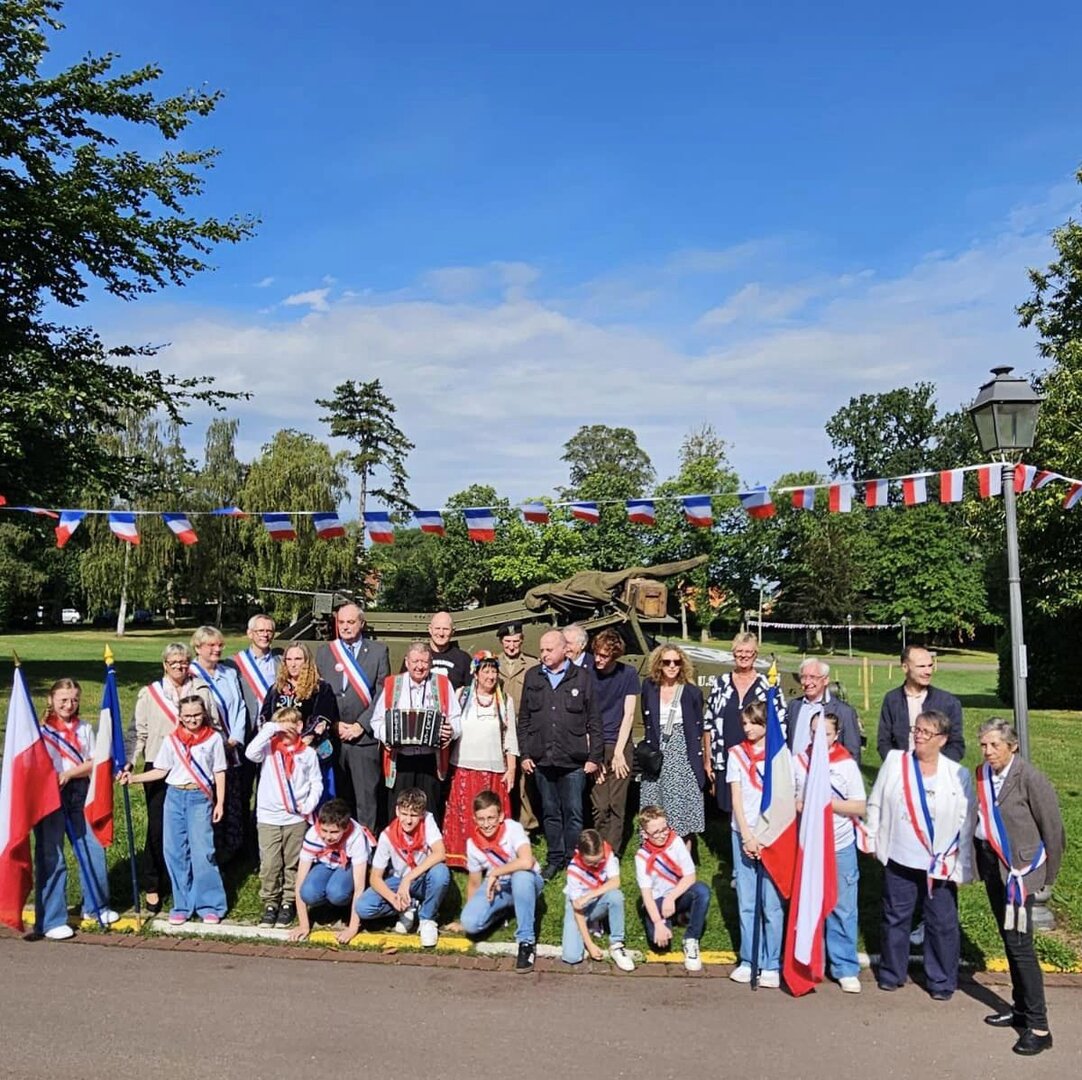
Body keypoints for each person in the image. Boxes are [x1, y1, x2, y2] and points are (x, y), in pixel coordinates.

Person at [865, 709, 975, 999]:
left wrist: (962, 867)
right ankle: (892, 973)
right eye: (917, 730)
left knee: (942, 923)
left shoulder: (958, 775)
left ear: (942, 739)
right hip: (900, 857)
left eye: (927, 732)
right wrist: (872, 838)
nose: (919, 737)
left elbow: (966, 822)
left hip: (939, 864)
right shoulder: (895, 762)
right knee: (895, 917)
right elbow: (876, 802)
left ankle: (941, 981)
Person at [974, 720, 1065, 1056]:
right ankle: (1021, 1009)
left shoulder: (1030, 778)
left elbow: (1053, 831)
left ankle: (1040, 1027)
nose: (988, 752)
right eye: (984, 745)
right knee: (1009, 940)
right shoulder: (982, 774)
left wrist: (1044, 877)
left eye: (994, 745)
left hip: (1020, 874)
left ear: (1012, 746)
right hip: (994, 868)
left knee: (1021, 946)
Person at [120, 695, 228, 926]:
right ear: (180, 716)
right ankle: (182, 904)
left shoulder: (213, 739)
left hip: (200, 797)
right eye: (187, 716)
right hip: (174, 797)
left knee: (203, 852)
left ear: (204, 714)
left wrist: (220, 802)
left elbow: (219, 771)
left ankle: (210, 905)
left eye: (196, 715)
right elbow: (161, 770)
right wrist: (134, 778)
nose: (192, 720)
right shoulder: (172, 740)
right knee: (175, 853)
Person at [128, 643, 216, 914]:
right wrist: (130, 760)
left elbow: (213, 722)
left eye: (183, 661)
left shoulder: (201, 689)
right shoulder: (150, 693)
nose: (179, 665)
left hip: (195, 768)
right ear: (164, 664)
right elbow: (138, 731)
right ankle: (154, 884)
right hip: (159, 765)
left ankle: (192, 887)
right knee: (158, 829)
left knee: (195, 833)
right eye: (173, 661)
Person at [34, 679, 119, 938]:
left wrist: (70, 774)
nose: (69, 705)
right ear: (51, 700)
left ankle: (96, 906)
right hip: (50, 796)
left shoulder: (84, 728)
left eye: (74, 699)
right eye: (63, 700)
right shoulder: (40, 732)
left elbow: (95, 761)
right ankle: (51, 919)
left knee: (92, 849)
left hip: (80, 792)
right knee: (52, 856)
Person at [517, 629, 603, 880]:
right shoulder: (533, 676)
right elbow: (524, 719)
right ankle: (555, 858)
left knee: (574, 812)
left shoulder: (582, 677)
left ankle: (573, 859)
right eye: (541, 650)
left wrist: (594, 757)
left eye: (549, 649)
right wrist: (525, 754)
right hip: (542, 758)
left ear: (564, 649)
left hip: (573, 760)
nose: (543, 654)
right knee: (550, 812)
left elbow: (594, 720)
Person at [793, 712, 867, 993]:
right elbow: (792, 798)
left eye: (825, 733)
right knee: (808, 905)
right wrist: (800, 804)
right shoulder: (799, 761)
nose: (819, 738)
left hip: (839, 844)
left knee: (842, 907)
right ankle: (811, 961)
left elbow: (859, 806)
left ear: (835, 735)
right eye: (814, 732)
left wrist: (825, 803)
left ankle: (845, 966)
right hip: (808, 845)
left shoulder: (846, 765)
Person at [245, 706, 323, 929]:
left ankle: (289, 901)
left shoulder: (307, 754)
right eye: (281, 725)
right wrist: (271, 728)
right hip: (268, 817)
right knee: (270, 863)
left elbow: (316, 782)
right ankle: (271, 902)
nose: (285, 730)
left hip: (295, 818)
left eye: (291, 725)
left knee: (293, 862)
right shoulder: (269, 749)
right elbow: (250, 753)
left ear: (300, 726)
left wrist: (309, 805)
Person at [315, 603, 390, 832]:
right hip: (334, 738)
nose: (345, 627)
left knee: (366, 800)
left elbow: (382, 693)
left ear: (362, 624)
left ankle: (367, 845)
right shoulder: (325, 652)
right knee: (336, 797)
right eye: (341, 622)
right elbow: (319, 693)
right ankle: (338, 841)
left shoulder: (378, 651)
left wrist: (361, 725)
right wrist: (333, 723)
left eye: (351, 622)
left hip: (363, 739)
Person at [727, 701, 786, 987]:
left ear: (766, 724)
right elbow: (736, 799)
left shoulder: (780, 756)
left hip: (772, 837)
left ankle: (771, 962)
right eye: (745, 723)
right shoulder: (736, 754)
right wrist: (747, 836)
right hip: (743, 833)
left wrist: (765, 836)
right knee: (747, 901)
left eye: (754, 723)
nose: (747, 728)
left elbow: (784, 799)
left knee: (772, 904)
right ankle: (749, 958)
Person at [443, 652, 518, 868]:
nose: (490, 676)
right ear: (475, 674)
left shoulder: (505, 700)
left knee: (490, 814)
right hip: (464, 767)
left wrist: (511, 768)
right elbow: (450, 726)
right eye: (485, 671)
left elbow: (510, 737)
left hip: (493, 769)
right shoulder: (461, 695)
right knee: (465, 813)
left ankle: (493, 857)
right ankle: (462, 857)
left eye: (494, 671)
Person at [371, 642, 462, 820]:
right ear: (407, 662)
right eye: (415, 661)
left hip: (430, 761)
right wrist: (387, 735)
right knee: (399, 811)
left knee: (430, 811)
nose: (419, 666)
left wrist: (450, 731)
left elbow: (456, 718)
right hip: (401, 761)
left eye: (424, 662)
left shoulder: (443, 684)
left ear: (430, 663)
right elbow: (376, 721)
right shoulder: (392, 684)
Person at [460, 789, 544, 973]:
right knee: (470, 923)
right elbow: (474, 882)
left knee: (521, 877)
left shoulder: (513, 828)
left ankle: (526, 942)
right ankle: (503, 911)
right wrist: (470, 908)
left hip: (528, 882)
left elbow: (526, 861)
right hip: (500, 886)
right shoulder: (473, 844)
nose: (486, 824)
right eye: (481, 819)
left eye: (491, 818)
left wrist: (495, 873)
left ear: (500, 816)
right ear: (474, 819)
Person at [356, 787, 451, 948]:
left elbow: (440, 853)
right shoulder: (387, 835)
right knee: (363, 907)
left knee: (441, 873)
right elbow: (375, 877)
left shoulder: (427, 821)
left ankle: (427, 919)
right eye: (404, 814)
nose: (408, 820)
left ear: (422, 814)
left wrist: (408, 879)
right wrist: (393, 898)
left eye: (414, 815)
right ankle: (408, 906)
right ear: (397, 811)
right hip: (397, 879)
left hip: (422, 878)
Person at [703, 632, 783, 812]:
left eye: (749, 652)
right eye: (739, 651)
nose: (744, 656)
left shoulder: (767, 685)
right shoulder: (721, 683)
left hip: (757, 759)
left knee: (755, 808)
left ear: (755, 654)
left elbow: (779, 724)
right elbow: (708, 723)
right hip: (726, 757)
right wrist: (708, 760)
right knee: (730, 808)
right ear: (733, 653)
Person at [189, 624, 248, 862]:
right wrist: (215, 743)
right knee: (208, 802)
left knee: (231, 800)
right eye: (211, 645)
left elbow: (240, 707)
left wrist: (234, 739)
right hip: (204, 750)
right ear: (197, 647)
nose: (217, 649)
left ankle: (231, 852)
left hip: (231, 748)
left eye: (220, 645)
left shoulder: (229, 673)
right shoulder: (189, 676)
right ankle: (207, 852)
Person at [640, 645, 706, 841]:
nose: (671, 666)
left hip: (681, 755)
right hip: (655, 754)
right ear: (658, 664)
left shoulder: (692, 692)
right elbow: (646, 718)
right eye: (666, 662)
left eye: (676, 662)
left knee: (679, 810)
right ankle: (653, 851)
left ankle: (681, 854)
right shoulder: (649, 687)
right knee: (653, 806)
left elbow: (697, 726)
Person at [634, 805, 710, 973]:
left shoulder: (676, 842)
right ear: (645, 834)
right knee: (661, 945)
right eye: (656, 833)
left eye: (664, 829)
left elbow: (690, 876)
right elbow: (647, 896)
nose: (662, 835)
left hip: (677, 894)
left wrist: (671, 897)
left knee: (702, 891)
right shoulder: (641, 857)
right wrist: (657, 923)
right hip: (657, 901)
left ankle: (691, 938)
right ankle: (671, 919)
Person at [260, 642, 339, 802]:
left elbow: (322, 719)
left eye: (298, 659)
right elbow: (264, 717)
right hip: (280, 753)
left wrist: (301, 744)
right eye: (289, 659)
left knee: (315, 801)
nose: (293, 664)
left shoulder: (320, 688)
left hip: (311, 753)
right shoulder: (276, 688)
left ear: (306, 661)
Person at [291, 798, 374, 945]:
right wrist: (303, 925)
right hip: (326, 863)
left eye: (334, 832)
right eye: (324, 830)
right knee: (308, 892)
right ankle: (327, 907)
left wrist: (352, 929)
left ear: (345, 828)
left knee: (337, 892)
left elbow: (359, 887)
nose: (328, 837)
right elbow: (299, 881)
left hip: (348, 865)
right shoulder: (313, 834)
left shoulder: (356, 837)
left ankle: (344, 909)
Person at [589, 629, 639, 852]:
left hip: (620, 742)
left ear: (615, 655)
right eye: (596, 654)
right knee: (600, 805)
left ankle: (614, 852)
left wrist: (619, 752)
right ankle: (599, 849)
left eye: (604, 656)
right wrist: (595, 754)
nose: (598, 659)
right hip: (597, 744)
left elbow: (629, 714)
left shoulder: (628, 674)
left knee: (617, 803)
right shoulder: (588, 673)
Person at [562, 827, 635, 971]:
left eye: (599, 860)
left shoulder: (608, 854)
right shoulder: (574, 870)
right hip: (579, 910)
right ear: (580, 855)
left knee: (616, 896)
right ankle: (589, 927)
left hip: (596, 900)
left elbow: (615, 882)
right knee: (572, 956)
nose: (596, 865)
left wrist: (589, 896)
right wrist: (590, 945)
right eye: (590, 863)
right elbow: (578, 910)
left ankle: (616, 944)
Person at [878, 646, 964, 763]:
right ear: (905, 667)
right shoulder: (892, 700)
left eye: (930, 665)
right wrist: (899, 765)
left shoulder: (949, 702)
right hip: (901, 768)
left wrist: (936, 767)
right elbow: (884, 742)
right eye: (922, 666)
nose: (928, 671)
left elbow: (956, 745)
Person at [496, 621, 540, 832]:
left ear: (522, 641)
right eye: (507, 641)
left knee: (524, 780)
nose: (511, 646)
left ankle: (526, 825)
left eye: (515, 641)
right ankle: (500, 819)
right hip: (499, 728)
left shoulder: (532, 665)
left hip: (524, 728)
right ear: (501, 641)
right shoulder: (492, 663)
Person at [785, 658, 862, 763]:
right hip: (796, 770)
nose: (807, 682)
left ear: (825, 680)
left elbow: (853, 753)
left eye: (813, 677)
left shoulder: (844, 712)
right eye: (803, 677)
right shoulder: (794, 706)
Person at [230, 614, 281, 723]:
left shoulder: (281, 661)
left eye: (269, 631)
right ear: (250, 633)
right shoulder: (235, 663)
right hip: (248, 724)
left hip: (275, 723)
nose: (265, 635)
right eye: (260, 631)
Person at [422, 611, 472, 689]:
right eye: (437, 628)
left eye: (445, 629)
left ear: (453, 631)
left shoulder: (463, 659)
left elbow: (471, 691)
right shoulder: (417, 656)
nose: (441, 633)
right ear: (430, 629)